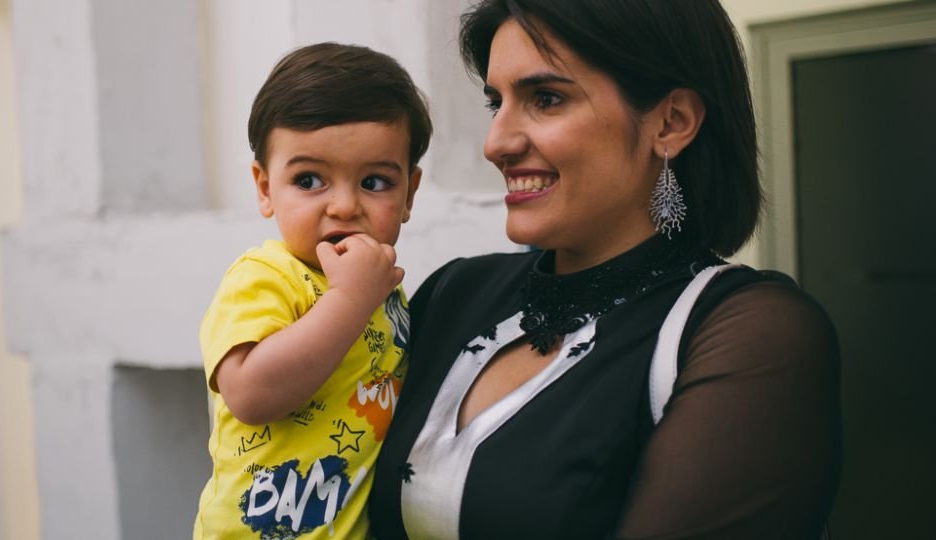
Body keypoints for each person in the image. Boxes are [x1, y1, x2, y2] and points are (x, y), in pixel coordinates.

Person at [368, 1, 842, 539]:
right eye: (496, 102)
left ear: (672, 122)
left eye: (546, 99)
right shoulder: (454, 293)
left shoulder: (745, 333)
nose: (496, 143)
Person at [194, 42, 431, 539]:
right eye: (309, 180)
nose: (344, 206)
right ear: (265, 188)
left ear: (409, 193)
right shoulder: (265, 277)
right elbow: (250, 394)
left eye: (374, 182)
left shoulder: (383, 292)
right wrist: (349, 300)